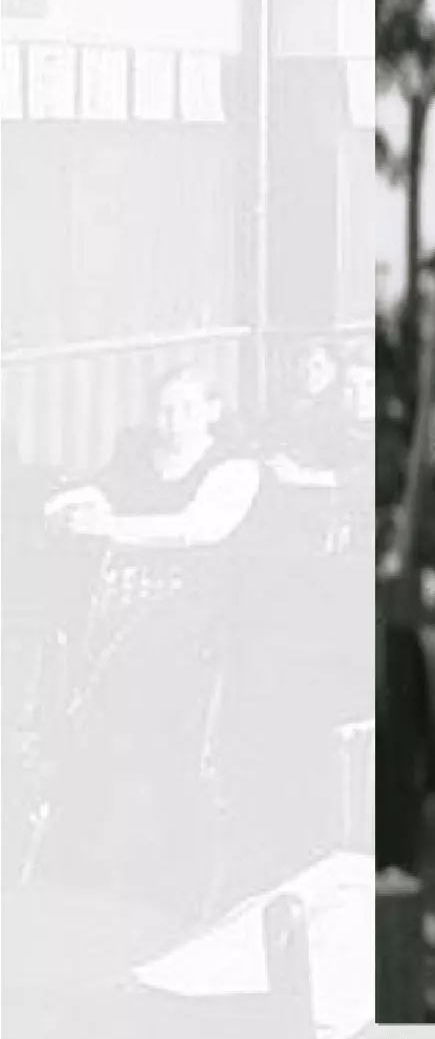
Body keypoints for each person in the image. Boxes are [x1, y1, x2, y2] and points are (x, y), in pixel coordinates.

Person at [31, 365, 262, 923]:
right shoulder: (136, 457)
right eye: (163, 409)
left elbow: (197, 528)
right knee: (80, 709)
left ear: (210, 409)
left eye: (184, 408)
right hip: (121, 612)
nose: (171, 420)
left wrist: (111, 528)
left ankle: (176, 885)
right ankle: (83, 871)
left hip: (194, 618)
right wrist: (60, 511)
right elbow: (91, 492)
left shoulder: (234, 468)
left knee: (162, 736)